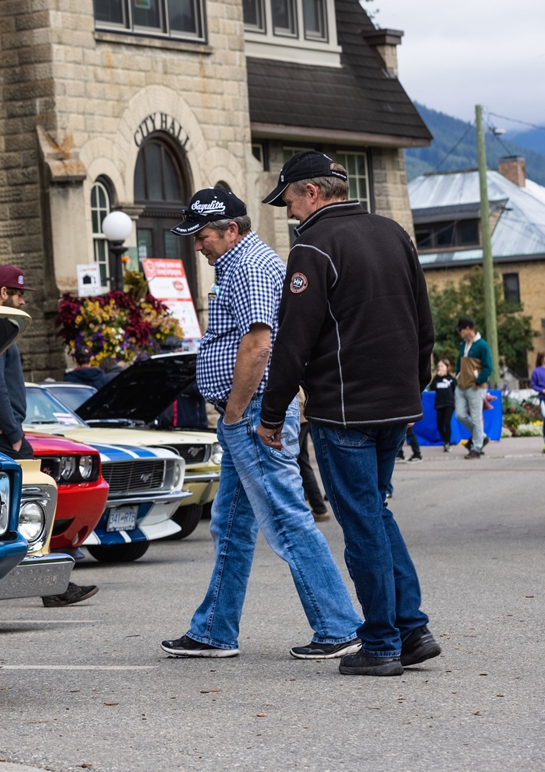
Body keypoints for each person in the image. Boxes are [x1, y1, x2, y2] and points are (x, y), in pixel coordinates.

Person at [158, 187, 362, 661]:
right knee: (230, 526)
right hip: (248, 412)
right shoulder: (243, 261)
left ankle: (339, 626)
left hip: (250, 414)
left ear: (231, 230)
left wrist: (233, 412)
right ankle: (213, 630)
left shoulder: (248, 265)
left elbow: (258, 343)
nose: (197, 245)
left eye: (203, 235)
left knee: (287, 519)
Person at [256, 150, 439, 677]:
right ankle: (411, 628)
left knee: (361, 526)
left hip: (345, 409)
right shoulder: (393, 233)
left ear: (311, 193)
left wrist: (271, 415)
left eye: (289, 198)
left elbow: (293, 342)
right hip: (394, 405)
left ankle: (382, 643)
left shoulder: (313, 245)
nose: (288, 211)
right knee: (376, 513)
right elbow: (423, 322)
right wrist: (414, 390)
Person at [0, 265, 99, 608]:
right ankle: (52, 587)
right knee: (34, 505)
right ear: (3, 293)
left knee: (1, 509)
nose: (24, 301)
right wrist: (14, 436)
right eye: (20, 294)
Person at [455, 317, 493, 459]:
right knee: (460, 415)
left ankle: (476, 448)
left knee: (476, 418)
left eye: (460, 329)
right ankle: (481, 436)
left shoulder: (482, 345)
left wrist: (479, 381)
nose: (459, 332)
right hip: (461, 386)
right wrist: (456, 379)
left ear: (467, 329)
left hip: (475, 387)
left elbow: (488, 367)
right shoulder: (462, 345)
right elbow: (459, 365)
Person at [296, 389, 330, 521]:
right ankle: (319, 509)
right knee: (302, 463)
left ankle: (296, 514)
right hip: (302, 413)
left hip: (296, 413)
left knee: (289, 466)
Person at [429, 358, 457, 452]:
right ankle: (445, 440)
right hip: (439, 404)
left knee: (447, 423)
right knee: (439, 426)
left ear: (447, 367)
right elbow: (432, 388)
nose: (440, 368)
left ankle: (447, 443)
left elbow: (455, 391)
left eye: (442, 366)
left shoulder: (451, 379)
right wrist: (436, 377)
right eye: (438, 366)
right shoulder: (437, 379)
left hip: (449, 404)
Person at [532, 351, 545, 454]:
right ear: (542, 358)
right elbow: (533, 385)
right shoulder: (536, 371)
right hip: (543, 398)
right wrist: (544, 391)